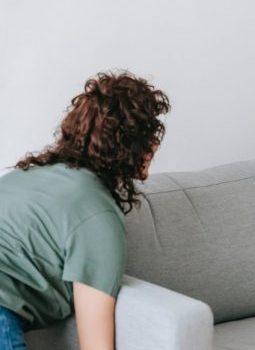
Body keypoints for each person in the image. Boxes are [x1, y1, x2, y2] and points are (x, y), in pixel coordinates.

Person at [0, 71, 170, 350]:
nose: (155, 146)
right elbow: (96, 346)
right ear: (132, 147)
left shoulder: (24, 177)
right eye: (149, 134)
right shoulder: (97, 216)